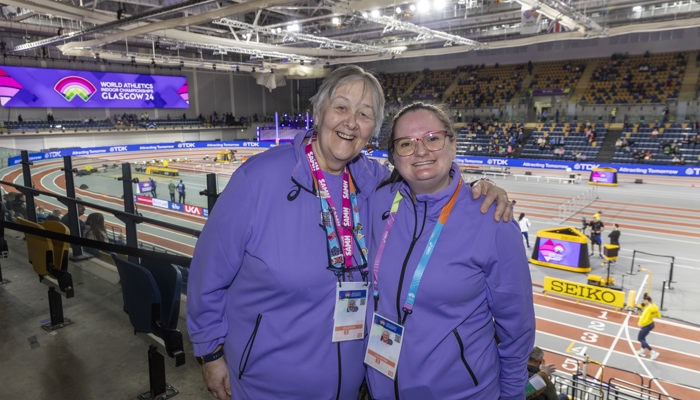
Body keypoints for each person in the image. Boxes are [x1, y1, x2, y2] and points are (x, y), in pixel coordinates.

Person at [186, 66, 513, 400]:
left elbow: (428, 180)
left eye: (364, 114)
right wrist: (209, 353)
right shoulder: (257, 179)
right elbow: (207, 273)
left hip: (351, 384)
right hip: (266, 384)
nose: (351, 122)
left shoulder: (376, 182)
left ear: (373, 129)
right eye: (341, 107)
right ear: (318, 111)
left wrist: (476, 191)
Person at [364, 102, 534, 399]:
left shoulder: (493, 221)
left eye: (432, 138)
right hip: (382, 388)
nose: (420, 151)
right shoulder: (379, 203)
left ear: (452, 144)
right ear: (393, 156)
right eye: (406, 143)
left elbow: (516, 331)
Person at [636, 295, 661, 360]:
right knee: (643, 337)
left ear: (647, 300)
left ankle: (653, 352)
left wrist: (641, 324)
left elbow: (644, 317)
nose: (643, 302)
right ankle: (642, 350)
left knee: (640, 339)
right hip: (651, 324)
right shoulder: (654, 306)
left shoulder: (648, 309)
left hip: (646, 325)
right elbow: (658, 316)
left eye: (644, 300)